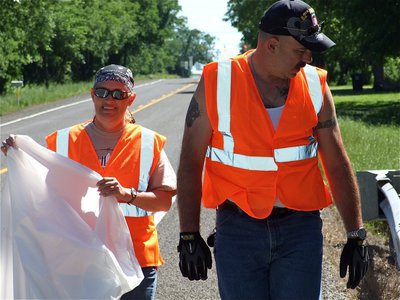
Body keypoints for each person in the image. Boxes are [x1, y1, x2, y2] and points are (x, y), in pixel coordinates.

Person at [176, 1, 369, 299]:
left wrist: (355, 234)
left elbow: (335, 160)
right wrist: (188, 233)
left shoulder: (316, 85)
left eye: (310, 50)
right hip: (238, 229)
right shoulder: (217, 82)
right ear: (271, 45)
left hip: (300, 229)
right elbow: (190, 160)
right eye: (301, 50)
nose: (308, 58)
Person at [2, 64, 177, 300]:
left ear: (131, 99)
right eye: (102, 92)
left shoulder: (148, 142)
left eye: (118, 94)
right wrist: (20, 156)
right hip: (76, 261)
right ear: (92, 94)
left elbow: (164, 201)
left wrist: (128, 195)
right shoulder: (63, 140)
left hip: (135, 260)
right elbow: (39, 196)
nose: (109, 100)